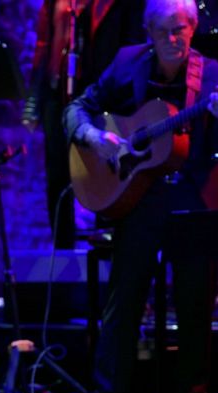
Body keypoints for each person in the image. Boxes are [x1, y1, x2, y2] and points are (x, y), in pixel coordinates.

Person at [64, 0, 218, 393]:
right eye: (162, 31)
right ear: (149, 32)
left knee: (196, 302)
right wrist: (92, 135)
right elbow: (77, 109)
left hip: (193, 203)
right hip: (138, 200)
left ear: (193, 27)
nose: (172, 39)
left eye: (179, 29)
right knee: (124, 300)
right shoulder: (128, 63)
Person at [24, 0, 146, 248]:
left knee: (109, 168)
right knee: (57, 172)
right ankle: (63, 249)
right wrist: (33, 102)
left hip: (103, 93)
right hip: (58, 93)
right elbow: (44, 44)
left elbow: (133, 43)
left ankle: (108, 245)